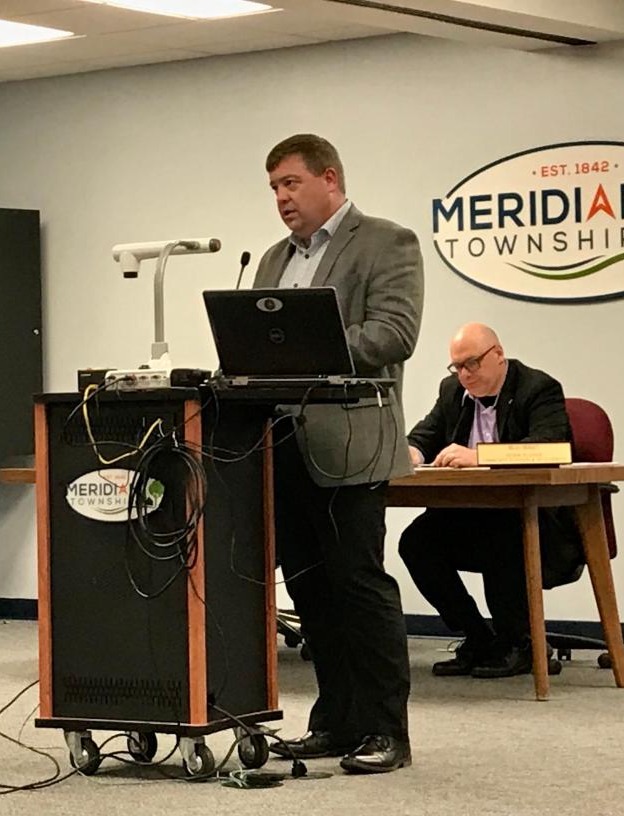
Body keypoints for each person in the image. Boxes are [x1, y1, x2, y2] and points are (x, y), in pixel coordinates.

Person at [255, 134, 423, 774]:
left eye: (291, 184)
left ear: (329, 178)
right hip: (284, 447)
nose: (281, 198)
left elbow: (394, 334)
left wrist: (308, 347)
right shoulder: (272, 260)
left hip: (352, 448)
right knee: (311, 591)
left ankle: (387, 731)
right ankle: (334, 721)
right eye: (273, 188)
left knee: (358, 586)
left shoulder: (387, 242)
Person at [399, 323, 584, 678]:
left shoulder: (538, 387)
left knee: (502, 534)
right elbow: (426, 434)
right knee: (416, 542)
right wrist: (411, 452)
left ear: (498, 355)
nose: (464, 374)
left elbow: (551, 446)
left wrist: (481, 456)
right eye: (457, 366)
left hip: (535, 520)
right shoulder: (452, 390)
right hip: (471, 514)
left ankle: (518, 643)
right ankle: (479, 635)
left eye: (472, 364)